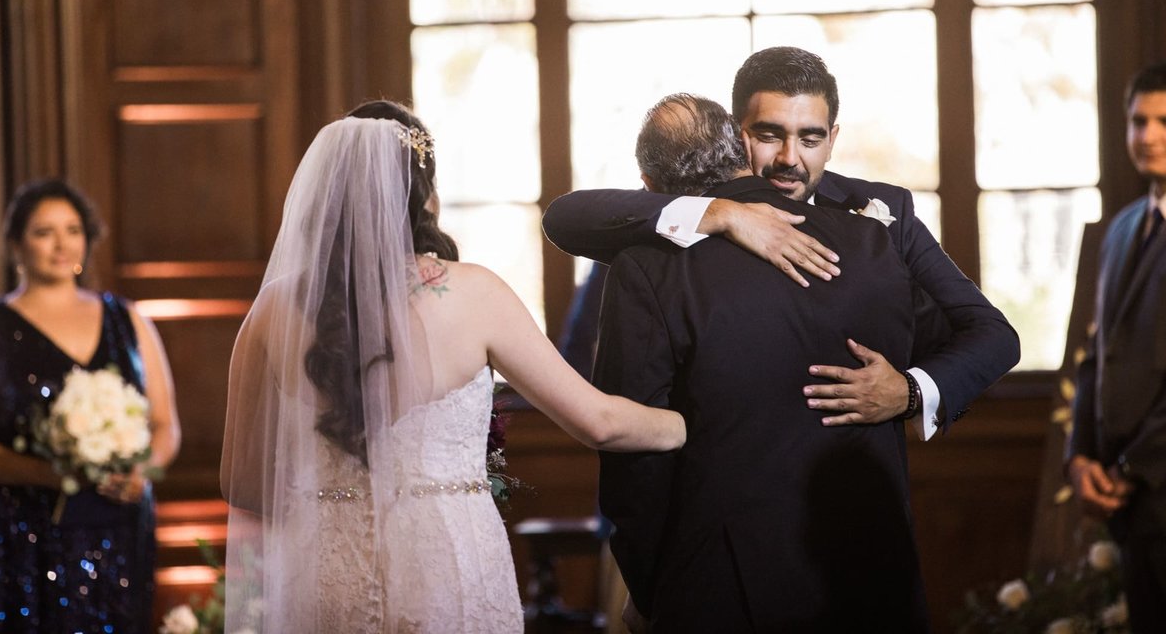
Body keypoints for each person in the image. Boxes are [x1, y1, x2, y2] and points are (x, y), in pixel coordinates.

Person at [219, 100, 686, 634]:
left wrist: (337, 491)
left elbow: (242, 483)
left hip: (327, 577)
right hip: (445, 568)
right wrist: (690, 422)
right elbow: (598, 421)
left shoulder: (272, 313)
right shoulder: (473, 292)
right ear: (426, 195)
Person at [543, 46, 1019, 440]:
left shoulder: (885, 212)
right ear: (735, 132)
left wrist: (911, 394)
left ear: (832, 139)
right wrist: (721, 213)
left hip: (858, 483)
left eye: (810, 139)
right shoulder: (689, 212)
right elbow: (567, 216)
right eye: (769, 135)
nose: (789, 159)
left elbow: (995, 338)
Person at [597, 94, 928, 631]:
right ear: (740, 152)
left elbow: (635, 460)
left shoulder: (647, 271)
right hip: (872, 575)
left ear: (647, 185)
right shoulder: (871, 243)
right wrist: (914, 392)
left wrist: (649, 584)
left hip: (718, 584)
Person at [0, 178, 181, 633]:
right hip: (18, 536)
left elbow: (165, 425)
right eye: (44, 232)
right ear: (16, 245)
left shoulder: (128, 321)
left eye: (73, 229)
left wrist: (142, 472)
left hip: (117, 528)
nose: (61, 244)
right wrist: (51, 475)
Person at [1067, 60, 1166, 632]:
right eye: (1137, 121)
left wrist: (1130, 468)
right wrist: (1080, 458)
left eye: (1161, 121)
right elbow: (1096, 358)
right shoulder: (1124, 227)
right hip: (1126, 509)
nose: (1147, 135)